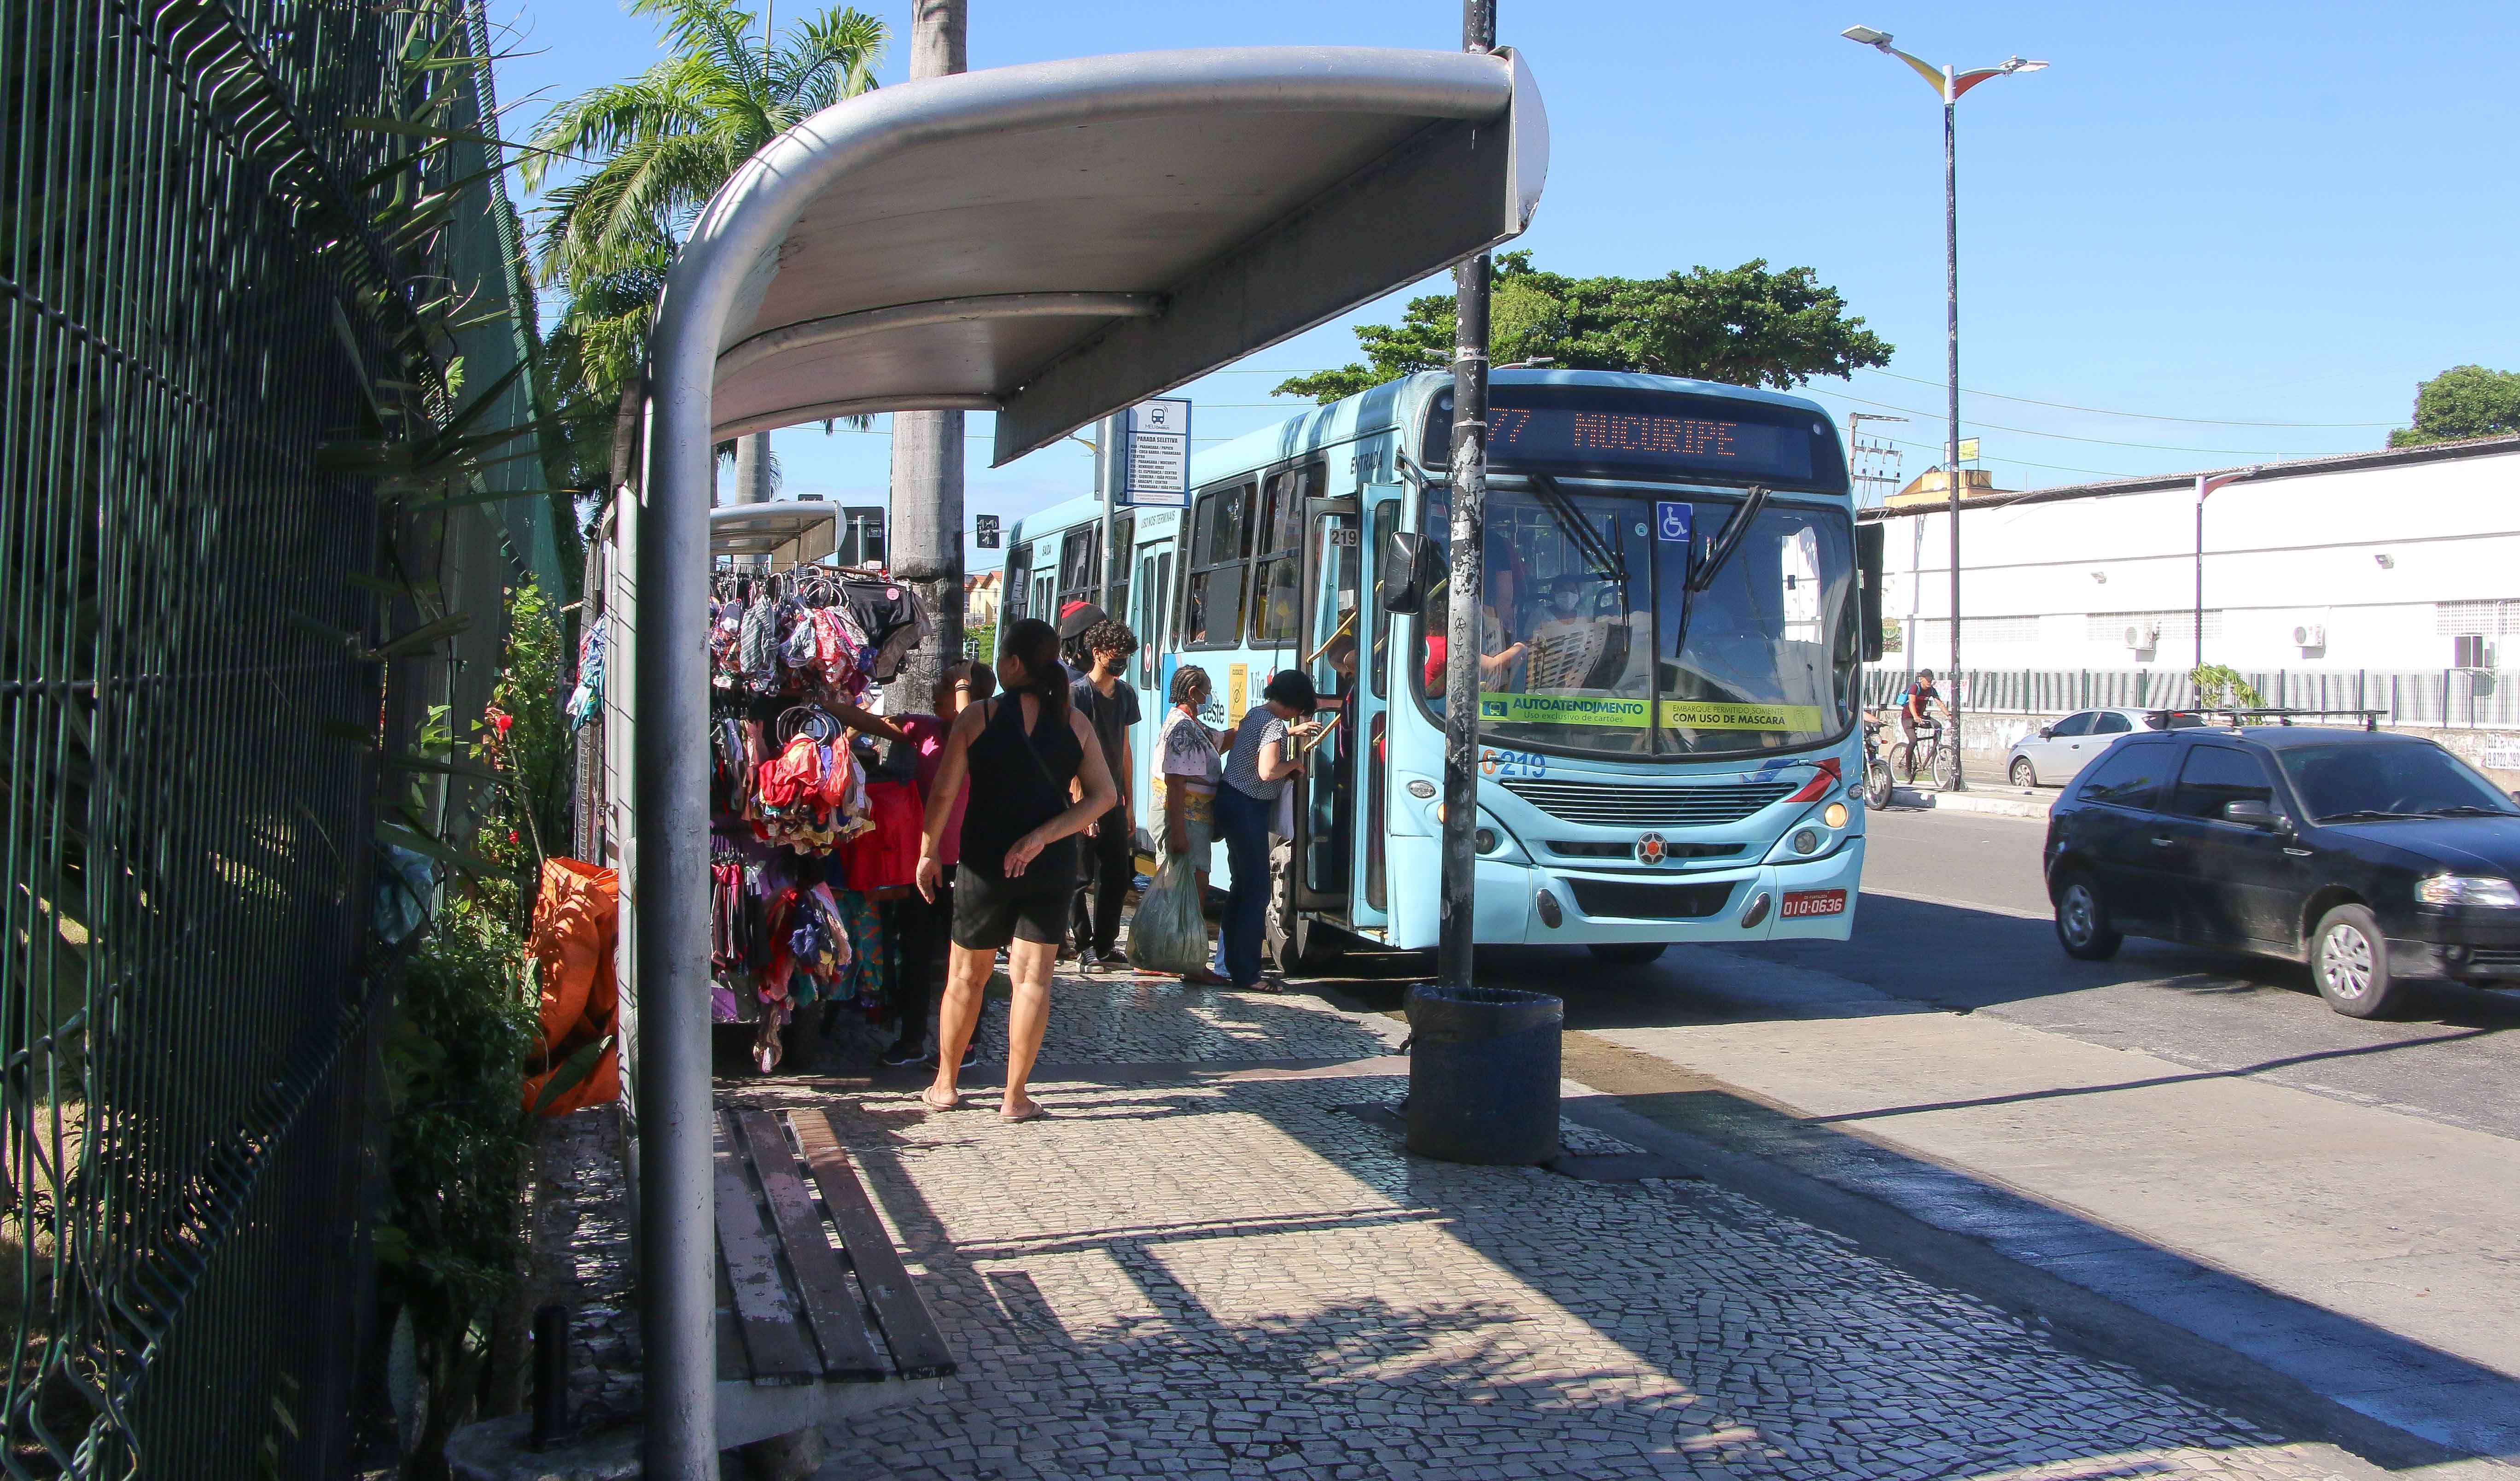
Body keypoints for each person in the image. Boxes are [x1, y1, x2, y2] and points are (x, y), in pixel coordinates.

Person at [916, 618, 1118, 1122]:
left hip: (983, 860)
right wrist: (1043, 836)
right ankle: (1015, 1096)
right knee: (1033, 981)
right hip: (1047, 867)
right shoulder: (1075, 723)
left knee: (966, 976)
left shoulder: (978, 717)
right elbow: (1105, 796)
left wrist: (926, 851)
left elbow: (943, 790)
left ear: (1011, 664)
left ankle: (944, 1084)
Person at [882, 659, 993, 1069]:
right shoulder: (926, 730)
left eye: (947, 687)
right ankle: (912, 1039)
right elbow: (876, 722)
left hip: (968, 865)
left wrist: (964, 683)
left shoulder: (984, 734)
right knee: (915, 953)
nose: (937, 692)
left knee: (964, 960)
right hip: (926, 865)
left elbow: (969, 718)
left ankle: (964, 1044)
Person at [1213, 670, 1321, 990]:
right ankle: (1247, 974)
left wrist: (1292, 731)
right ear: (1293, 703)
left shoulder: (1257, 714)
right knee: (1256, 890)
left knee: (1240, 887)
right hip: (1248, 809)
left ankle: (1229, 964)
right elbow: (1267, 770)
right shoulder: (1275, 725)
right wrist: (1295, 766)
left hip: (1231, 802)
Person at [1065, 618, 1142, 972]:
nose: (1122, 661)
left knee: (1117, 874)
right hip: (1083, 798)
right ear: (1097, 653)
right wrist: (1083, 802)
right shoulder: (1078, 694)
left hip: (1112, 797)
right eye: (1117, 654)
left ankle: (1107, 943)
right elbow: (1070, 750)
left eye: (1126, 655)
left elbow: (1125, 748)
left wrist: (1128, 800)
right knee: (1079, 876)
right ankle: (1084, 945)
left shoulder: (1125, 695)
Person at [1154, 665, 1230, 987]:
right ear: (1192, 693)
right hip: (1187, 820)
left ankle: (1173, 958)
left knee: (1182, 891)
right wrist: (1179, 834)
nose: (1209, 695)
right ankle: (1191, 963)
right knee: (1189, 892)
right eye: (1206, 689)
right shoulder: (1182, 729)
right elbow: (1176, 782)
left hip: (1193, 820)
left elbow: (1222, 740)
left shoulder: (1191, 725)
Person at [1901, 668, 1946, 749]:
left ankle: (1935, 754)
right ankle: (1909, 763)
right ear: (1922, 679)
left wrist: (1949, 715)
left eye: (1931, 680)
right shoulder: (1915, 687)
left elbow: (1940, 703)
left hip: (1920, 717)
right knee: (1913, 741)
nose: (1930, 682)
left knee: (1938, 726)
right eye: (1928, 680)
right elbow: (1912, 702)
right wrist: (1915, 716)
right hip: (1908, 718)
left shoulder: (1931, 690)